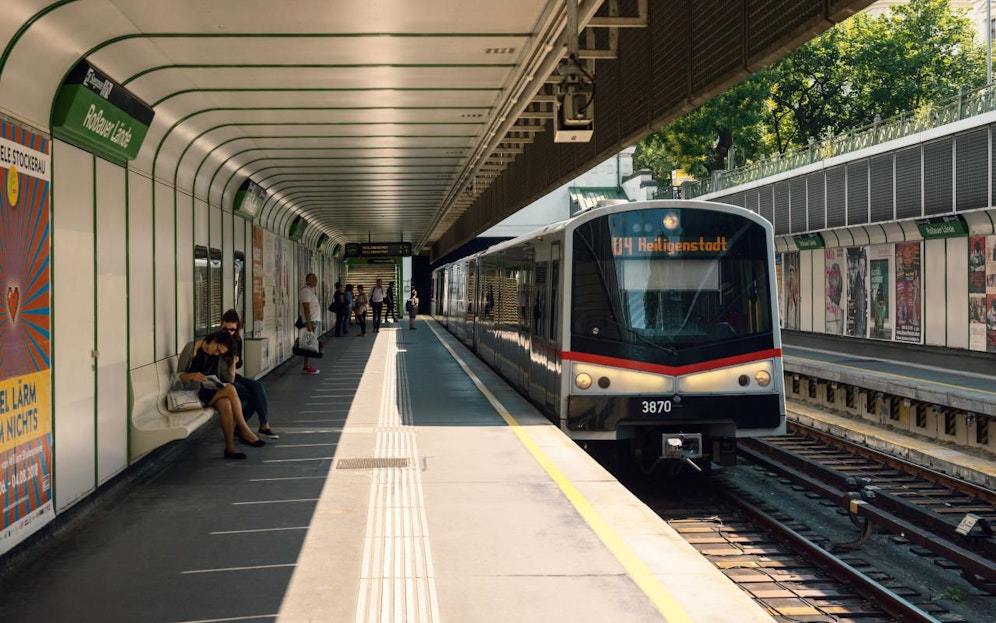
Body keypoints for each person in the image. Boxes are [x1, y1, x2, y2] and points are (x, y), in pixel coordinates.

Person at [177, 331, 264, 460]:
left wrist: (233, 363)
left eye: (220, 353)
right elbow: (178, 377)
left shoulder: (218, 356)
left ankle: (230, 449)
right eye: (217, 349)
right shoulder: (191, 348)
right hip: (192, 394)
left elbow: (229, 379)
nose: (216, 354)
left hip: (208, 392)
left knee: (226, 403)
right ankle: (244, 429)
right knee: (230, 389)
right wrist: (192, 376)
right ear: (213, 340)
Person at [221, 309, 278, 439]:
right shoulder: (217, 340)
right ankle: (243, 428)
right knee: (255, 397)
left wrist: (235, 360)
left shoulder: (237, 340)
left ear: (237, 328)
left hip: (234, 374)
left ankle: (264, 424)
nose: (228, 332)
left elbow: (239, 364)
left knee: (258, 386)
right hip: (223, 378)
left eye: (232, 330)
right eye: (225, 329)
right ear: (221, 325)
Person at [299, 273, 321, 374]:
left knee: (310, 343)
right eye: (312, 279)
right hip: (310, 321)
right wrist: (308, 323)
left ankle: (307, 365)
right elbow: (306, 308)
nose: (315, 281)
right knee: (309, 344)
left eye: (315, 279)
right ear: (307, 280)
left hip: (312, 321)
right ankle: (307, 366)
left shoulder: (310, 291)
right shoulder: (306, 292)